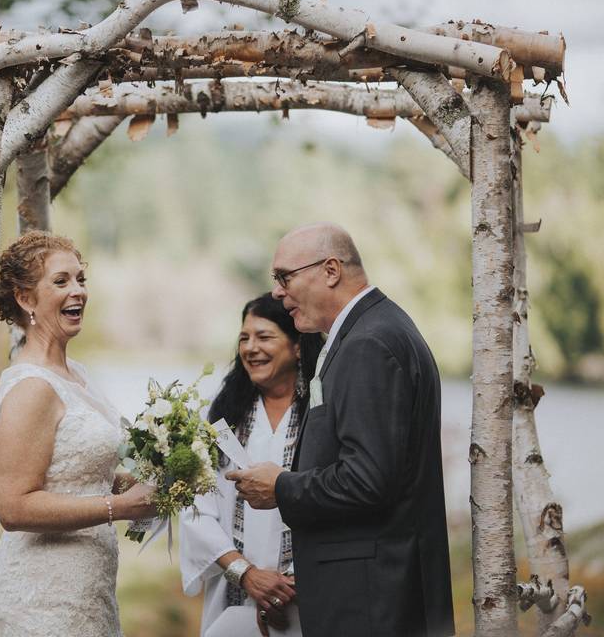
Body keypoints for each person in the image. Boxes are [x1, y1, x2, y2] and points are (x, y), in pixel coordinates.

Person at [228, 223, 455, 637]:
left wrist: (281, 487)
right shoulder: (373, 330)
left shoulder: (370, 343)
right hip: (369, 593)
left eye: (284, 277)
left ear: (330, 270)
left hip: (371, 603)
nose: (277, 292)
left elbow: (368, 480)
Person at [0, 230, 156, 636]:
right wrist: (120, 507)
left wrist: (139, 482)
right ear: (26, 299)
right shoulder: (31, 387)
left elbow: (73, 472)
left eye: (81, 279)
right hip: (42, 598)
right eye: (61, 282)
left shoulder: (77, 375)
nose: (77, 291)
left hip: (87, 591)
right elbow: (14, 507)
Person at [180, 293, 324, 637]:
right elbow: (195, 510)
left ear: (297, 347)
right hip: (233, 594)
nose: (250, 347)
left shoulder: (321, 414)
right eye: (244, 338)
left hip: (305, 596)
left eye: (264, 336)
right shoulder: (219, 418)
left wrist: (285, 586)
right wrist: (246, 574)